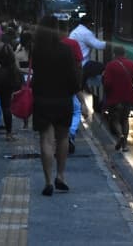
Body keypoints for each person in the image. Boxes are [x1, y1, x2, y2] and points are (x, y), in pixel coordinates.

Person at [32, 15, 80, 196]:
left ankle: (48, 181)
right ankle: (60, 175)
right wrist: (76, 92)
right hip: (62, 100)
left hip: (42, 99)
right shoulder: (66, 50)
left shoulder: (37, 50)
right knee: (62, 139)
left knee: (46, 139)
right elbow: (72, 77)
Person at [0, 20, 21, 141]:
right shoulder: (6, 47)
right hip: (6, 80)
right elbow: (13, 65)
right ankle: (9, 134)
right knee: (6, 107)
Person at [59, 19, 83, 154]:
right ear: (66, 31)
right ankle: (71, 132)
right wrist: (79, 83)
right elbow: (79, 64)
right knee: (77, 109)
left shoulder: (50, 44)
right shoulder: (72, 44)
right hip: (70, 83)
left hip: (53, 85)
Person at [14, 30, 33, 129]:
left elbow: (17, 68)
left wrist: (24, 70)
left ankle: (26, 122)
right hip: (34, 79)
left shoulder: (18, 53)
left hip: (23, 80)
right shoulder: (36, 52)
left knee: (25, 99)